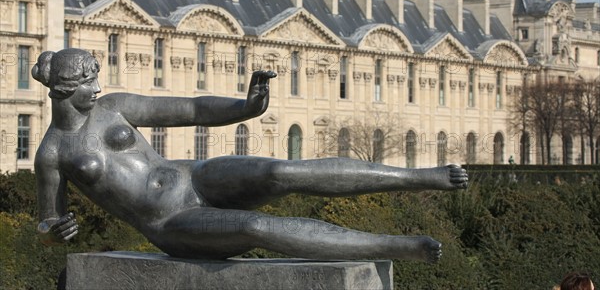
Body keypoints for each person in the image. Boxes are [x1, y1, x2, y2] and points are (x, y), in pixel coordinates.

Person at [33, 48, 468, 262]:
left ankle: (424, 176)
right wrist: (57, 230)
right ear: (63, 90)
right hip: (169, 222)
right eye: (88, 81)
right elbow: (47, 223)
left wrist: (246, 107)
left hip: (195, 177)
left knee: (282, 171)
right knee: (257, 226)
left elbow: (191, 108)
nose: (97, 86)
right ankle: (397, 247)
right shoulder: (53, 153)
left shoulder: (114, 107)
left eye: (96, 77)